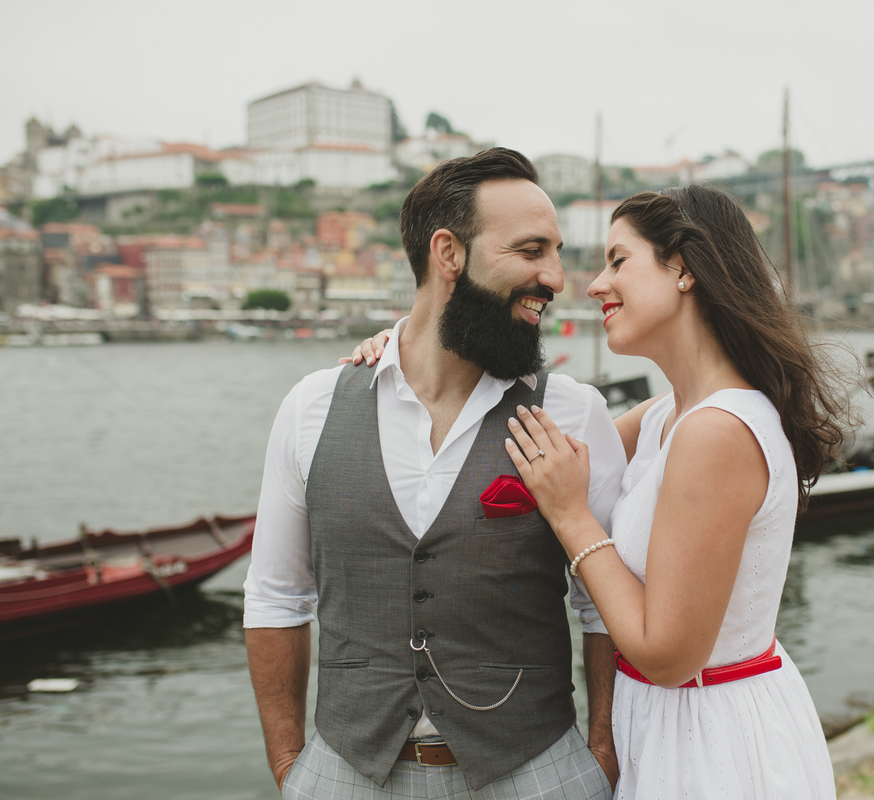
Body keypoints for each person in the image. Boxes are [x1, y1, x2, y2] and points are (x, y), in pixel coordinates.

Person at [348, 183, 845, 798]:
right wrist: (404, 355)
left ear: (683, 269)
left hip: (708, 742)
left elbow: (667, 655)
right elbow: (548, 440)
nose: (594, 285)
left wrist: (572, 517)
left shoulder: (715, 432)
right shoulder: (668, 416)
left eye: (618, 260)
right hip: (672, 726)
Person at [244, 148, 627, 800]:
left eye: (557, 252)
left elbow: (603, 607)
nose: (557, 278)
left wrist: (602, 751)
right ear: (448, 253)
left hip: (538, 773)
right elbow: (276, 597)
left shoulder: (574, 412)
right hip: (345, 776)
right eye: (531, 250)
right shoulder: (312, 407)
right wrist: (290, 769)